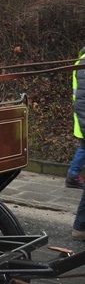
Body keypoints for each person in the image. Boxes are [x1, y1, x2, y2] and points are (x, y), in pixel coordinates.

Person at [68, 48, 85, 191]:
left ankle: (73, 175)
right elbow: (82, 98)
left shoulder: (81, 63)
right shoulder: (82, 65)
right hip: (83, 117)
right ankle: (73, 175)